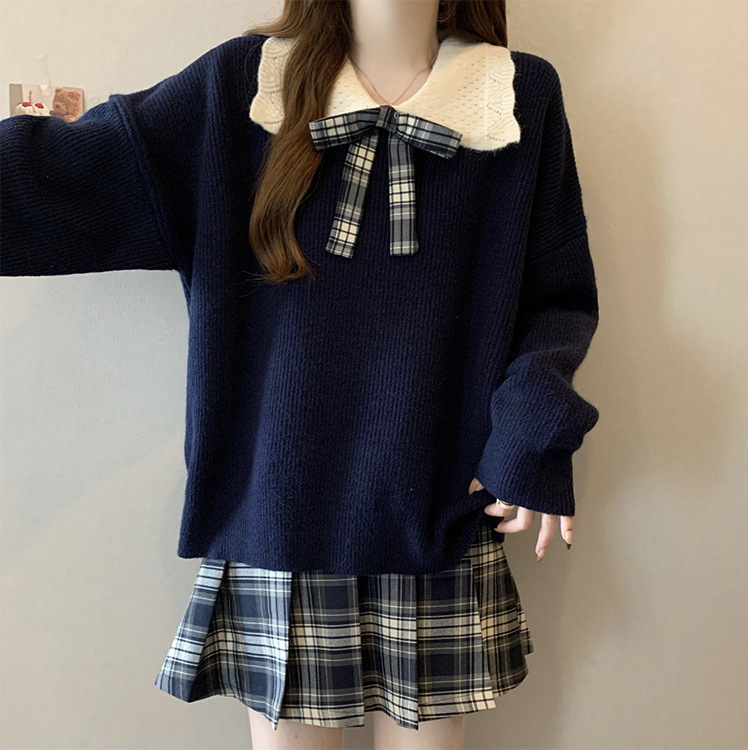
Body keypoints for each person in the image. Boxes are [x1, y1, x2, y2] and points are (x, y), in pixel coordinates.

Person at [0, 0, 600, 748]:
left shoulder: (512, 96)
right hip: (278, 519)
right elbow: (59, 184)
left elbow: (556, 301)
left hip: (436, 515)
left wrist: (531, 435)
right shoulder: (242, 88)